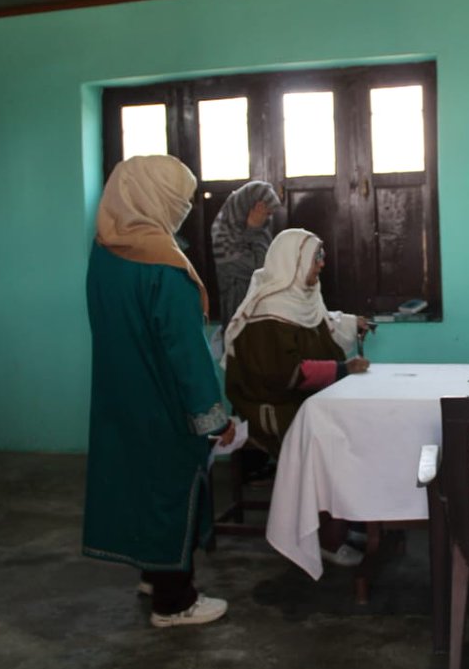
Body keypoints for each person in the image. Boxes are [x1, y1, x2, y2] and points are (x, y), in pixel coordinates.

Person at [82, 155, 236, 629]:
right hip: (164, 403)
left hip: (119, 396)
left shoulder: (105, 254)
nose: (185, 208)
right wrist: (215, 417)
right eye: (180, 199)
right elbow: (186, 352)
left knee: (141, 488)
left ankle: (152, 575)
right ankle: (174, 601)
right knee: (174, 490)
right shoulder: (165, 267)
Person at [224, 227, 372, 566]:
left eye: (321, 257)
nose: (321, 265)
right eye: (316, 258)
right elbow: (281, 373)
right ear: (294, 261)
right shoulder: (267, 313)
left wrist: (351, 326)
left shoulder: (303, 299)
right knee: (332, 446)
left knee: (356, 430)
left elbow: (323, 328)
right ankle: (325, 538)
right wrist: (341, 370)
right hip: (271, 406)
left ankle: (348, 518)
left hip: (304, 400)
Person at [210, 180, 282, 328]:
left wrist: (255, 230)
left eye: (268, 214)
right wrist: (254, 230)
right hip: (238, 311)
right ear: (247, 207)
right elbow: (262, 269)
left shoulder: (258, 228)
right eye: (265, 213)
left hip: (260, 308)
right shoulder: (224, 236)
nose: (266, 218)